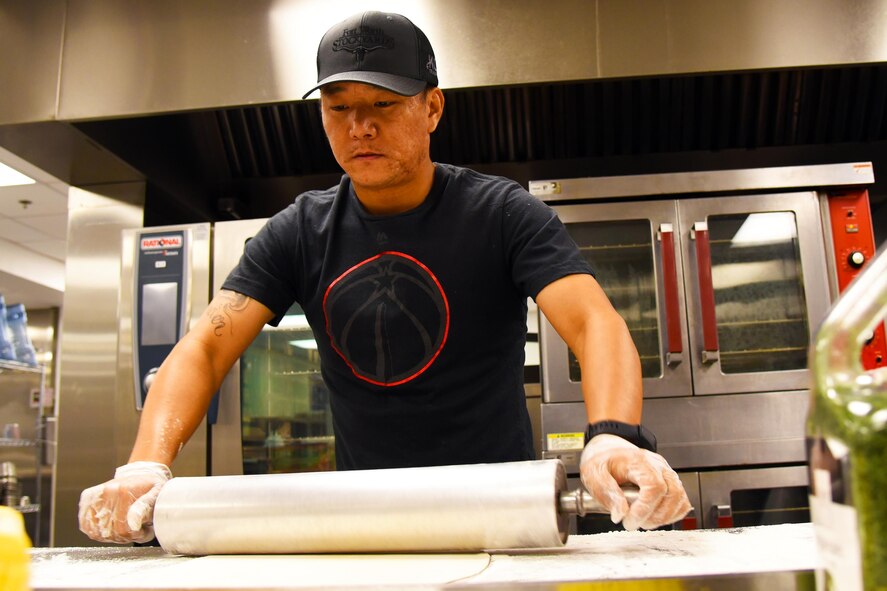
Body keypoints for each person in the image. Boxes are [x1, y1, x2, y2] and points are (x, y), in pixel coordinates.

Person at [79, 10, 691, 544]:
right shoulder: (300, 230)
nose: (359, 127)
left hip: (506, 511)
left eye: (383, 105)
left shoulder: (501, 213)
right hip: (367, 517)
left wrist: (612, 436)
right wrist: (144, 464)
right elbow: (208, 346)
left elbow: (592, 321)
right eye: (338, 108)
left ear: (432, 107)